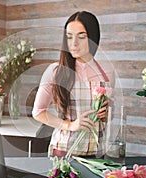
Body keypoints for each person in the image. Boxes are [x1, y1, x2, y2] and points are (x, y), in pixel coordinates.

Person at [32, 11, 115, 157]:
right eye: (69, 37)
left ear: (93, 38)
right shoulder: (55, 71)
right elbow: (38, 113)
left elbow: (110, 112)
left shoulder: (106, 72)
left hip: (97, 153)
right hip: (63, 151)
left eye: (81, 37)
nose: (74, 44)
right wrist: (69, 125)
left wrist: (107, 113)